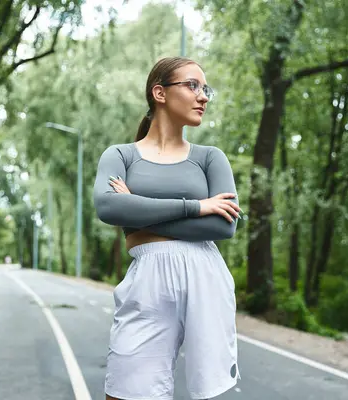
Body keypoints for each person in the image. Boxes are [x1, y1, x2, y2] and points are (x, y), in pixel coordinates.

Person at [93, 56, 242, 400]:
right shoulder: (121, 155)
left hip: (204, 277)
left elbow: (224, 227)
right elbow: (108, 206)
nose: (203, 96)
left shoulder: (210, 157)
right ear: (159, 93)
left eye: (206, 89)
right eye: (192, 85)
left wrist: (138, 210)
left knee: (207, 392)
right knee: (124, 389)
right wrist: (196, 207)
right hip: (148, 279)